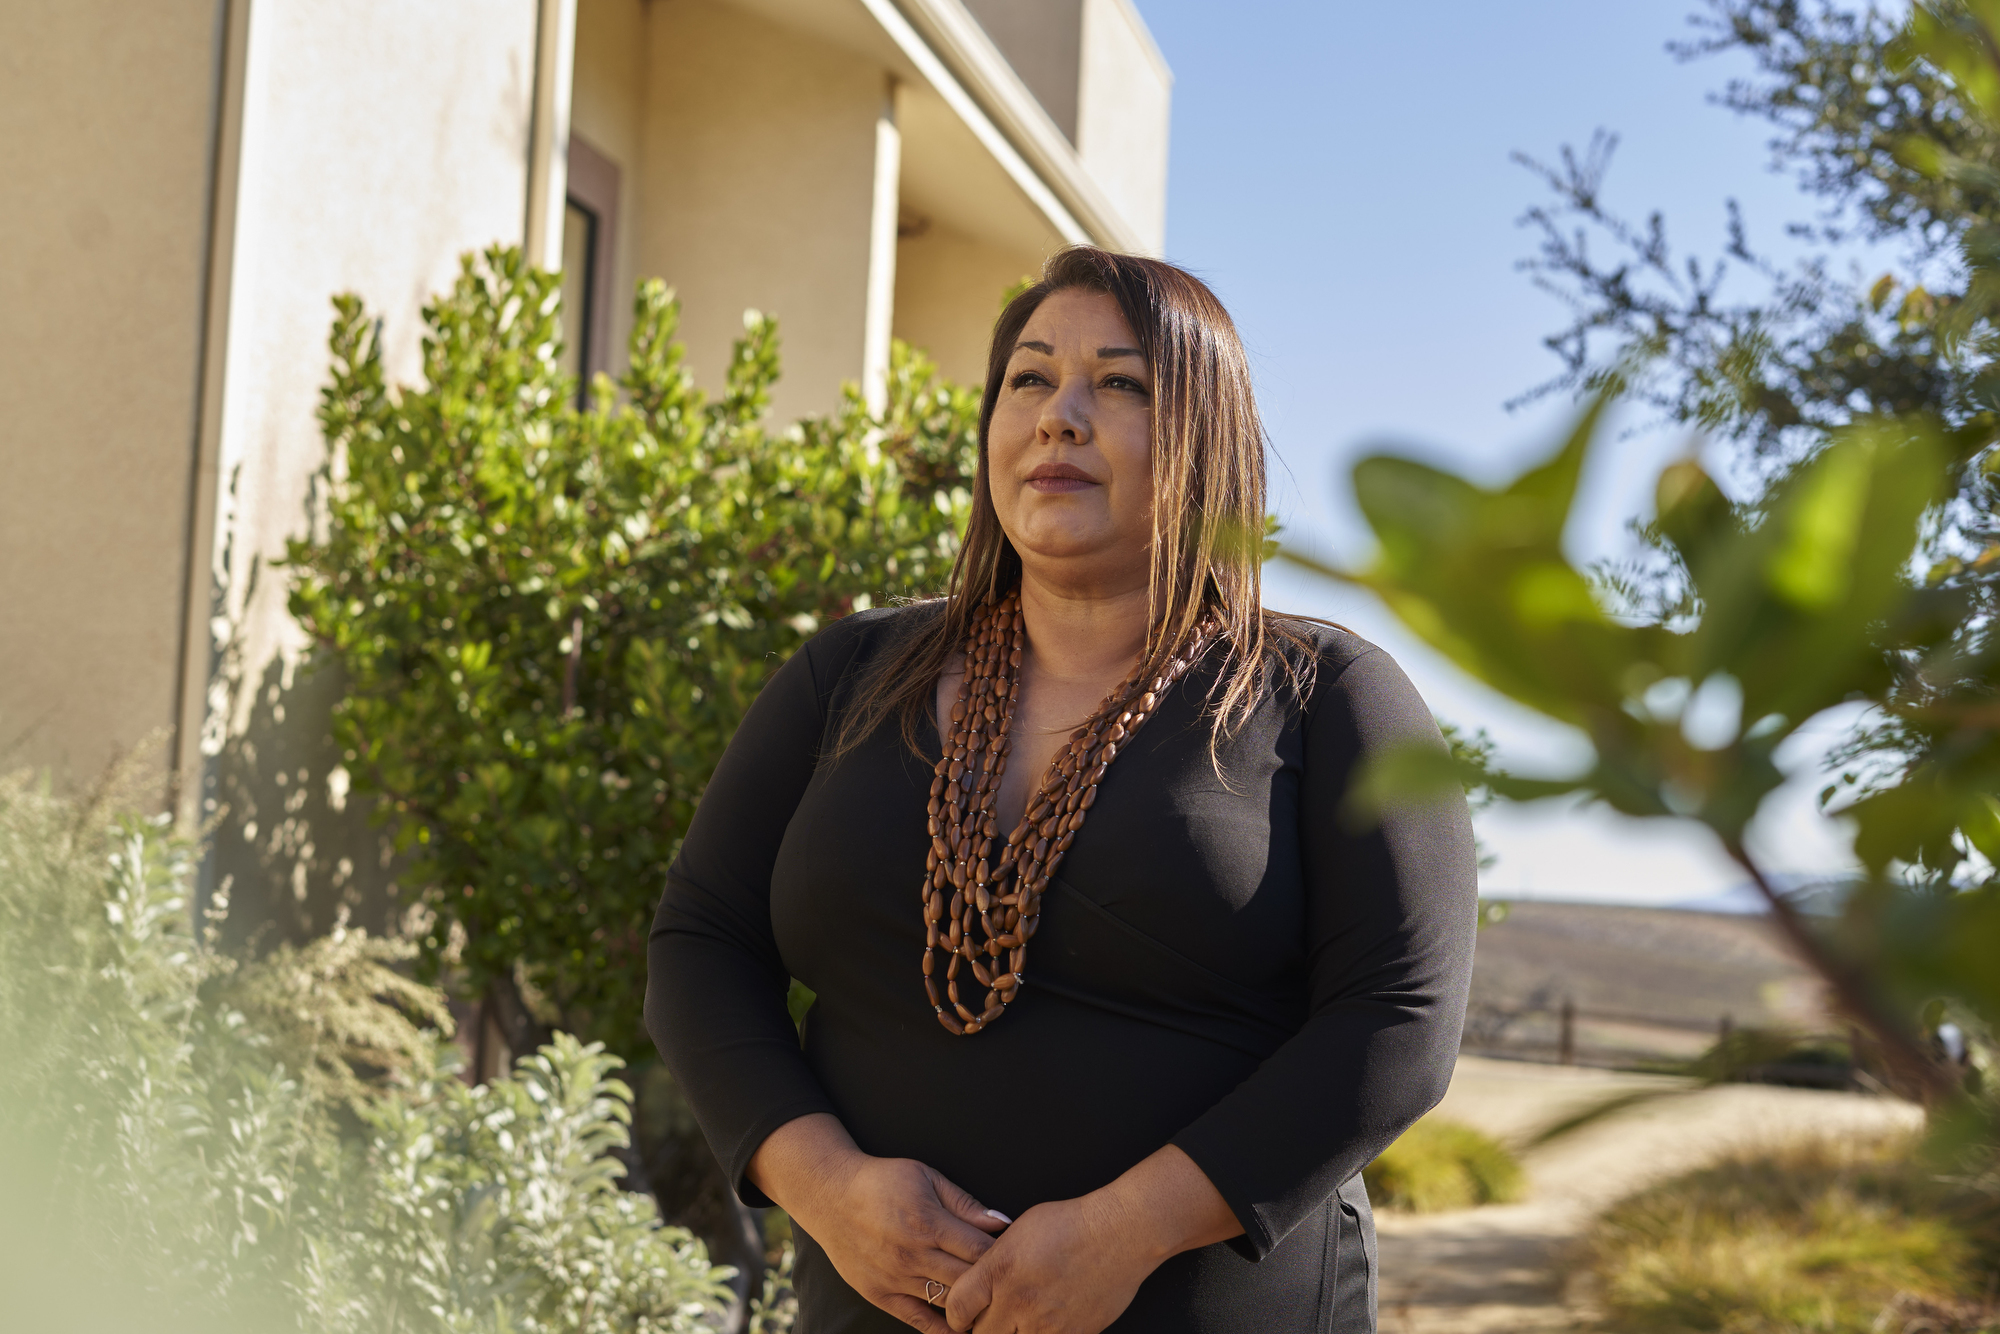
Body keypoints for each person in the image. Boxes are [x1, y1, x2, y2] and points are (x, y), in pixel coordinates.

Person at [645, 246, 1477, 1333]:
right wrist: (826, 1186)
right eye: (1027, 379)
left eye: (1119, 383)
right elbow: (700, 940)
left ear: (1203, 440)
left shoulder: (1326, 698)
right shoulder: (848, 675)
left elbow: (1398, 1019)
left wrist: (1121, 1232)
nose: (1058, 416)